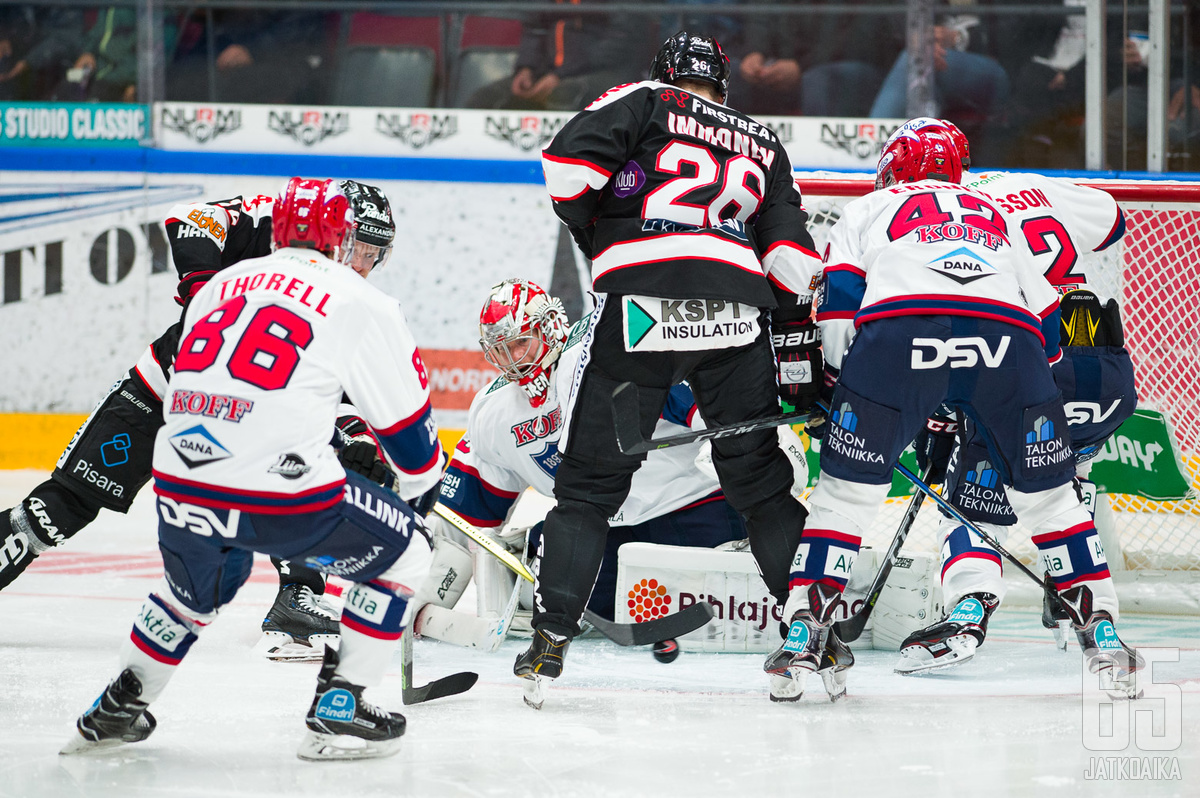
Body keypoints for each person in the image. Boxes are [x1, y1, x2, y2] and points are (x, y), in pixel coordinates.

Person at [61, 177, 441, 761]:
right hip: (279, 497)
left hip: (181, 482)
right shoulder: (363, 301)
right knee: (407, 553)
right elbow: (413, 451)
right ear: (341, 240)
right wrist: (416, 505)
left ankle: (120, 701)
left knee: (195, 592)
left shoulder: (218, 287)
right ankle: (341, 706)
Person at [521, 31, 827, 706]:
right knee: (759, 484)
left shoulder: (644, 100)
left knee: (591, 487)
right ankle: (813, 635)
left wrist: (602, 236)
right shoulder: (761, 138)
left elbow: (566, 170)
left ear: (664, 72)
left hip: (643, 303)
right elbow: (796, 265)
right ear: (723, 83)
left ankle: (548, 642)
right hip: (737, 316)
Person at [797, 122, 1139, 700]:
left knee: (867, 497)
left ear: (897, 165)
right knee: (1054, 494)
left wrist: (839, 386)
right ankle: (1096, 628)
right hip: (1080, 362)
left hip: (911, 341)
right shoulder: (1003, 202)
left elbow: (840, 308)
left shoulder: (877, 204)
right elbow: (1084, 258)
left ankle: (821, 632)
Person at [0, 179, 398, 661]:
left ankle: (299, 595)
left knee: (304, 470)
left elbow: (338, 379)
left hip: (246, 413)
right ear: (333, 231)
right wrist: (202, 285)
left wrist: (356, 438)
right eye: (358, 248)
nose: (362, 266)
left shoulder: (347, 304)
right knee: (67, 504)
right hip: (167, 385)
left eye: (374, 255)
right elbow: (188, 216)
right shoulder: (280, 225)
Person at [414, 279, 809, 638]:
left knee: (709, 566)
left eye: (520, 343)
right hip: (605, 530)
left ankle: (773, 568)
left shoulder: (601, 351)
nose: (513, 359)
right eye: (500, 350)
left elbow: (707, 405)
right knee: (550, 566)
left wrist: (766, 455)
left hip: (697, 506)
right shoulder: (492, 412)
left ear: (550, 326)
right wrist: (423, 593)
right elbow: (464, 517)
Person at [466, 0, 651, 111]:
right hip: (549, 72)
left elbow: (623, 38)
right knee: (484, 99)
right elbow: (535, 27)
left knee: (564, 96)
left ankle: (571, 165)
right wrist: (526, 68)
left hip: (608, 72)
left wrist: (561, 75)